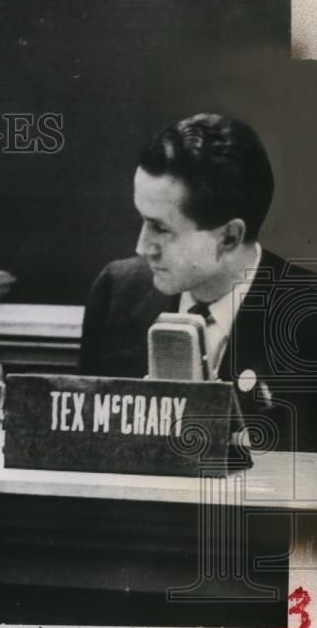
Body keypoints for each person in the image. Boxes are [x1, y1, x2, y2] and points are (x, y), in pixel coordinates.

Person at [79, 113, 316, 452]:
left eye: (161, 228)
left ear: (230, 237)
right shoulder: (116, 291)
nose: (142, 247)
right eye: (142, 221)